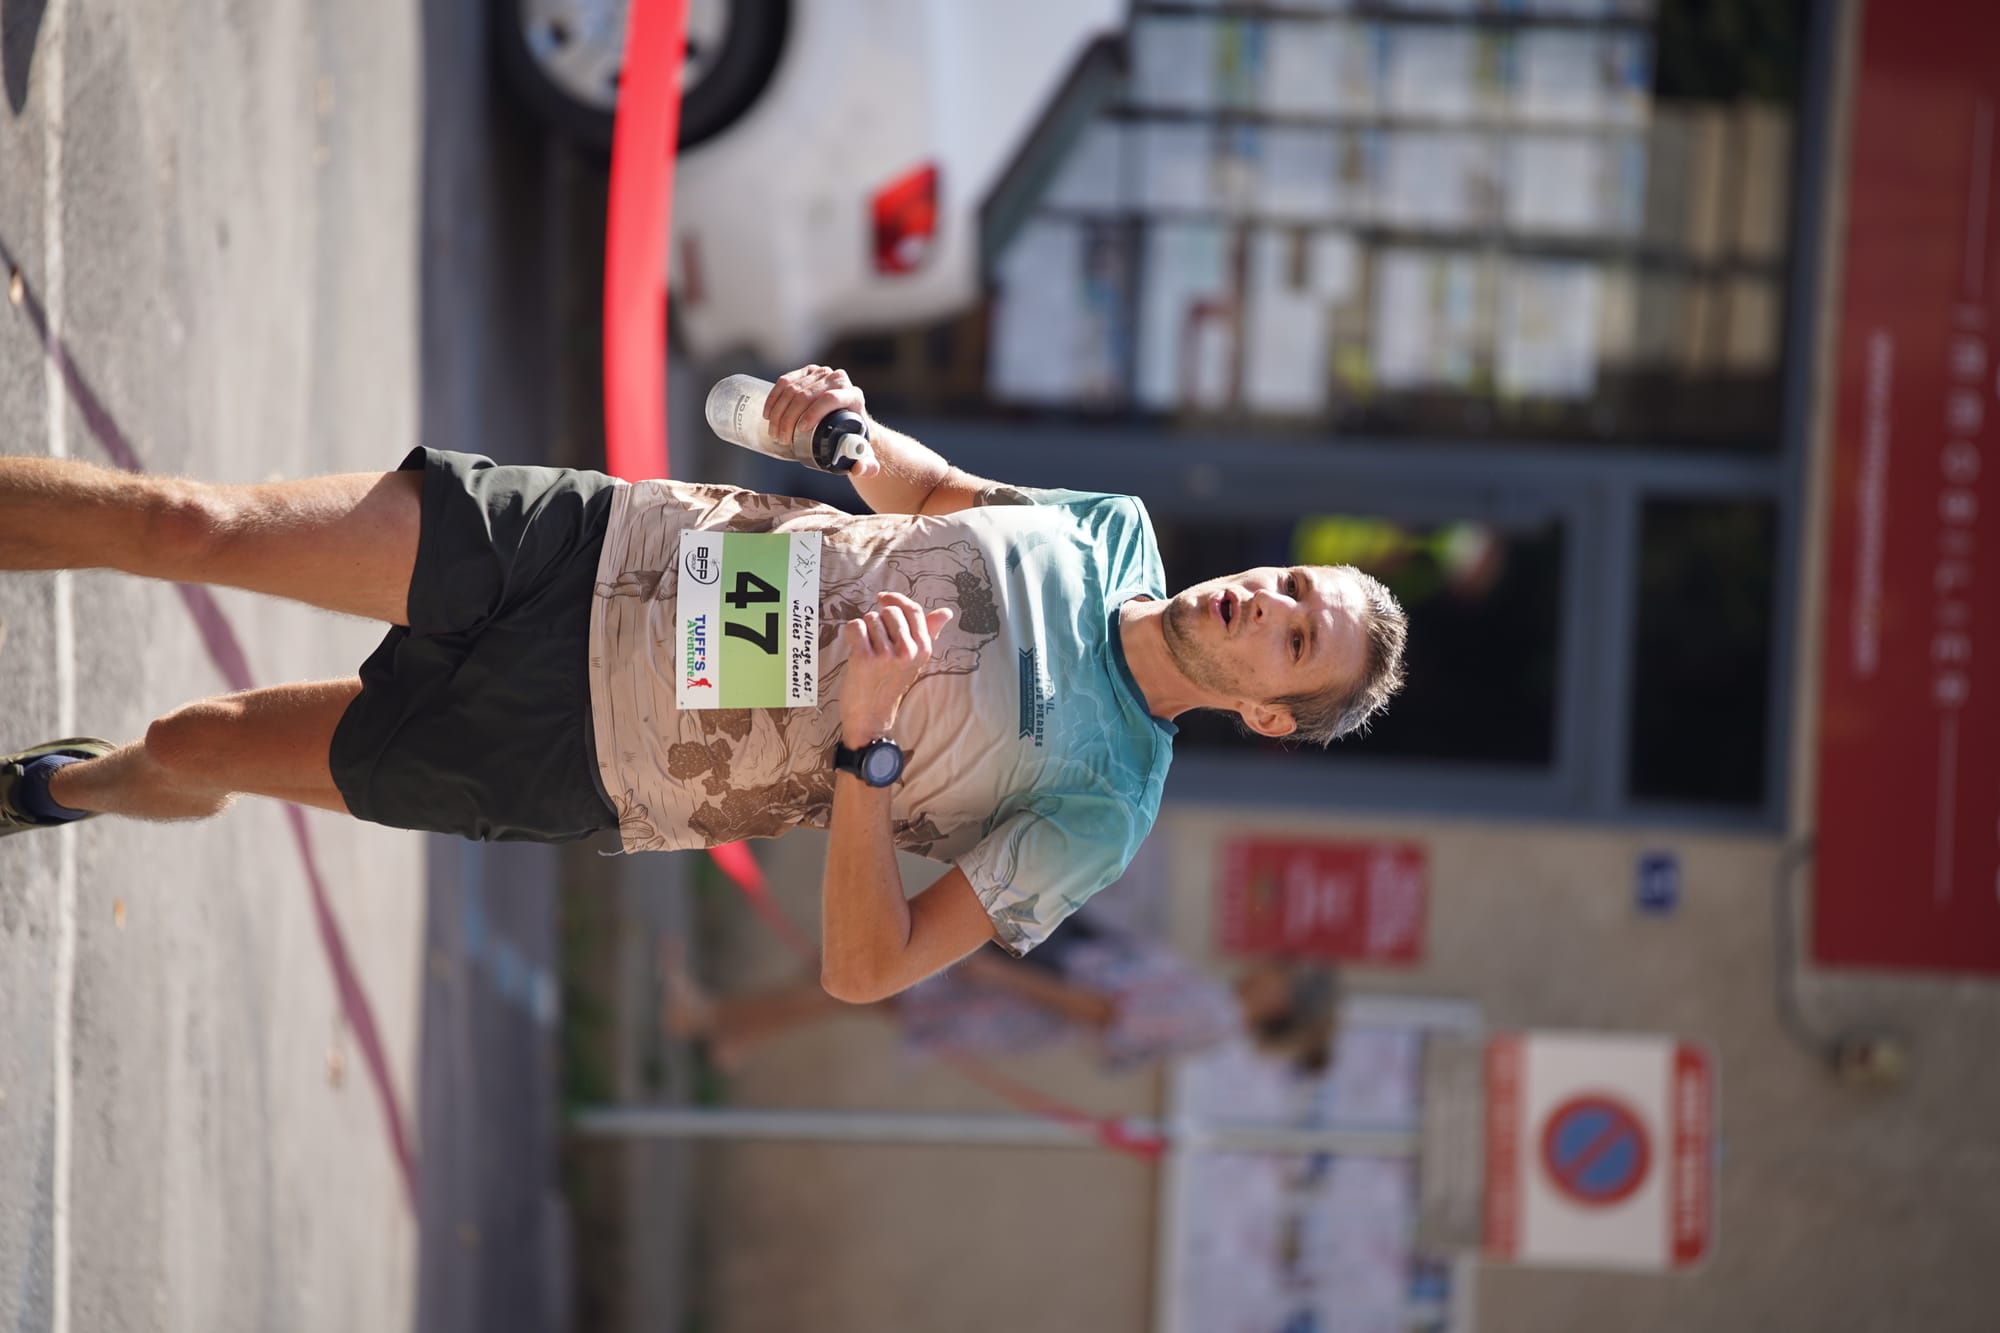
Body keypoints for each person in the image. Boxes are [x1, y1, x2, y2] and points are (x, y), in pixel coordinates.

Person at [0, 365, 1407, 1000]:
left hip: (592, 749)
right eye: (1296, 584)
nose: (1269, 602)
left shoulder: (1101, 805)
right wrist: (838, 427)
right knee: (190, 524)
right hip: (608, 549)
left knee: (198, 740)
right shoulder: (1114, 532)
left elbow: (866, 969)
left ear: (1267, 713)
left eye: (1295, 640)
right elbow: (936, 496)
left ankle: (95, 781)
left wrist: (867, 750)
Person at [658, 921, 1340, 1076]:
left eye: (1281, 972)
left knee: (850, 986)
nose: (1268, 965)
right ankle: (734, 1033)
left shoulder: (1211, 1014)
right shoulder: (1212, 1006)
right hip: (1017, 989)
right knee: (850, 988)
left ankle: (710, 1018)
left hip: (1009, 999)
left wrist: (1002, 978)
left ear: (1283, 1000)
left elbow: (1110, 1012)